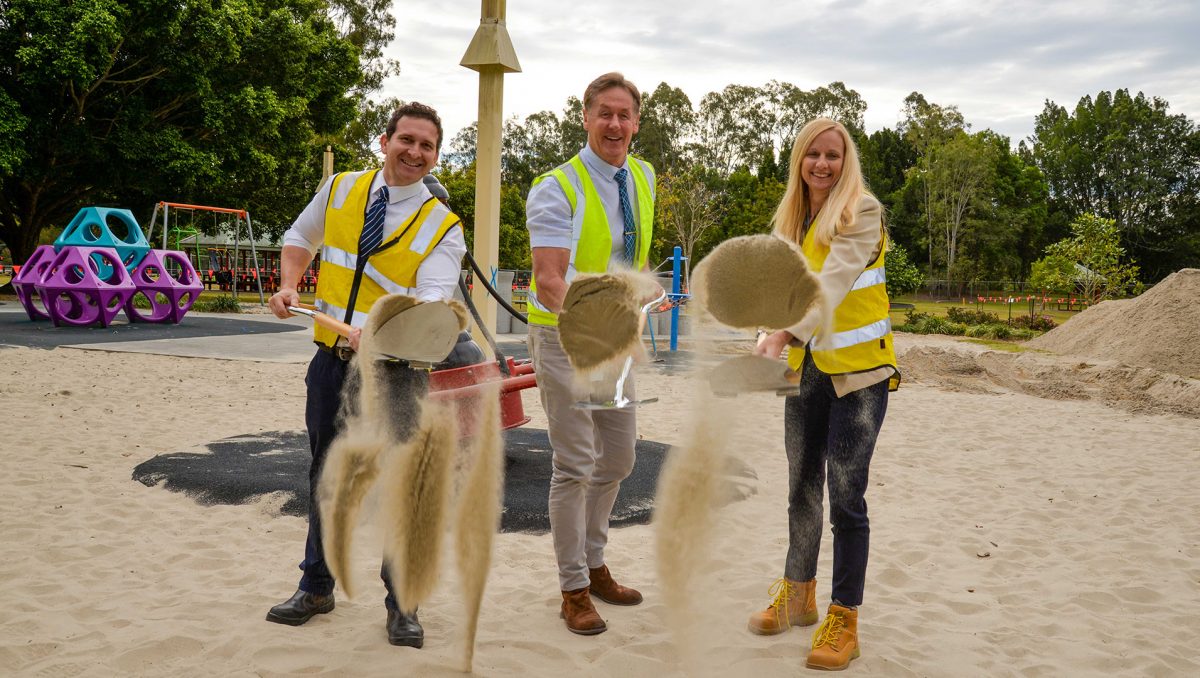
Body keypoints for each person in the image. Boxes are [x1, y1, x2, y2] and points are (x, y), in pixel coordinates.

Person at [264, 102, 466, 649]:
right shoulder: (340, 190)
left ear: (435, 155)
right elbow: (299, 238)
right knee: (326, 477)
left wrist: (378, 332)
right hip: (331, 363)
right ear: (385, 140)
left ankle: (402, 604)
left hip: (397, 374)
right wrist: (289, 283)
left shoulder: (442, 226)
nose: (415, 152)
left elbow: (431, 304)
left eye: (427, 146)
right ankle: (316, 587)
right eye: (407, 139)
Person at [747, 117, 900, 670]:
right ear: (799, 161)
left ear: (846, 160)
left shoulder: (863, 211)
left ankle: (845, 616)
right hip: (805, 370)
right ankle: (798, 592)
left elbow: (830, 285)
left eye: (833, 155)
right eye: (813, 155)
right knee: (801, 487)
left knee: (845, 498)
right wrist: (762, 330)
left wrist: (783, 332)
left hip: (859, 375)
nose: (823, 165)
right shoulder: (792, 219)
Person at [524, 72, 656, 636]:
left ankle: (595, 561)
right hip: (564, 335)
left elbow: (626, 261)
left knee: (620, 458)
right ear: (585, 116)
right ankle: (573, 586)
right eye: (605, 112)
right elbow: (549, 279)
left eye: (625, 115)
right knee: (574, 463)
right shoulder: (557, 186)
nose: (615, 124)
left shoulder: (644, 177)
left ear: (636, 123)